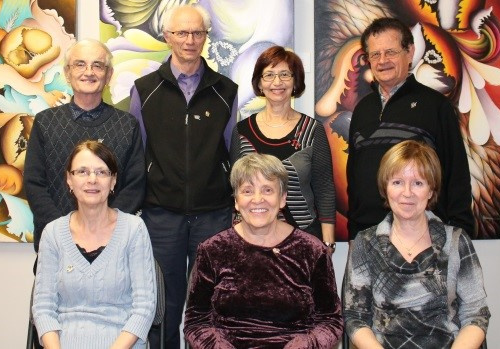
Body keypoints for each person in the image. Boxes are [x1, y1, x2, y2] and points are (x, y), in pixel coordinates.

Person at [128, 4, 238, 348]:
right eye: (182, 33)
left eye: (197, 33)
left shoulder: (226, 90)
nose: (190, 40)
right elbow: (137, 153)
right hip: (161, 215)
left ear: (206, 37)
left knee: (208, 306)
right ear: (167, 36)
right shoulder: (144, 89)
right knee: (164, 305)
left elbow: (233, 153)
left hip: (213, 214)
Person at [184, 153, 343, 348]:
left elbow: (330, 321)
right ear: (236, 201)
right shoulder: (212, 250)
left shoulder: (312, 250)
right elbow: (196, 322)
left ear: (283, 198)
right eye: (247, 191)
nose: (257, 200)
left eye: (267, 190)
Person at [343, 140, 490, 348]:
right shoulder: (366, 243)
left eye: (418, 183)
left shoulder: (456, 241)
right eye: (397, 182)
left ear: (431, 191)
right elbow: (355, 316)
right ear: (385, 188)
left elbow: (476, 314)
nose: (407, 193)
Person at [346, 17, 474, 240]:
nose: (382, 60)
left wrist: (460, 234)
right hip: (367, 239)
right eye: (375, 54)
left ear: (410, 52)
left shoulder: (436, 106)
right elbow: (354, 180)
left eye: (391, 52)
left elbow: (457, 175)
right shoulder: (362, 110)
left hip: (422, 238)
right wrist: (353, 233)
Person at [24, 38, 145, 254]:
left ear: (108, 75)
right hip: (56, 244)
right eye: (80, 64)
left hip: (112, 245)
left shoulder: (127, 125)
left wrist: (106, 230)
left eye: (97, 65)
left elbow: (134, 186)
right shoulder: (44, 122)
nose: (88, 72)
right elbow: (34, 184)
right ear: (68, 73)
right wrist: (64, 232)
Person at [32, 140, 156, 348]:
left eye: (102, 172)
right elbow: (44, 308)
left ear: (113, 181)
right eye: (82, 171)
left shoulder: (134, 230)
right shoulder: (52, 233)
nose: (92, 180)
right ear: (69, 180)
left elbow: (144, 308)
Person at [230, 45, 336, 252]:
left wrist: (328, 242)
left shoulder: (312, 130)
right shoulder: (242, 131)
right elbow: (235, 189)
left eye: (285, 74)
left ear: (295, 81)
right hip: (251, 238)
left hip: (303, 237)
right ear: (259, 83)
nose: (277, 82)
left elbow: (325, 188)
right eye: (269, 75)